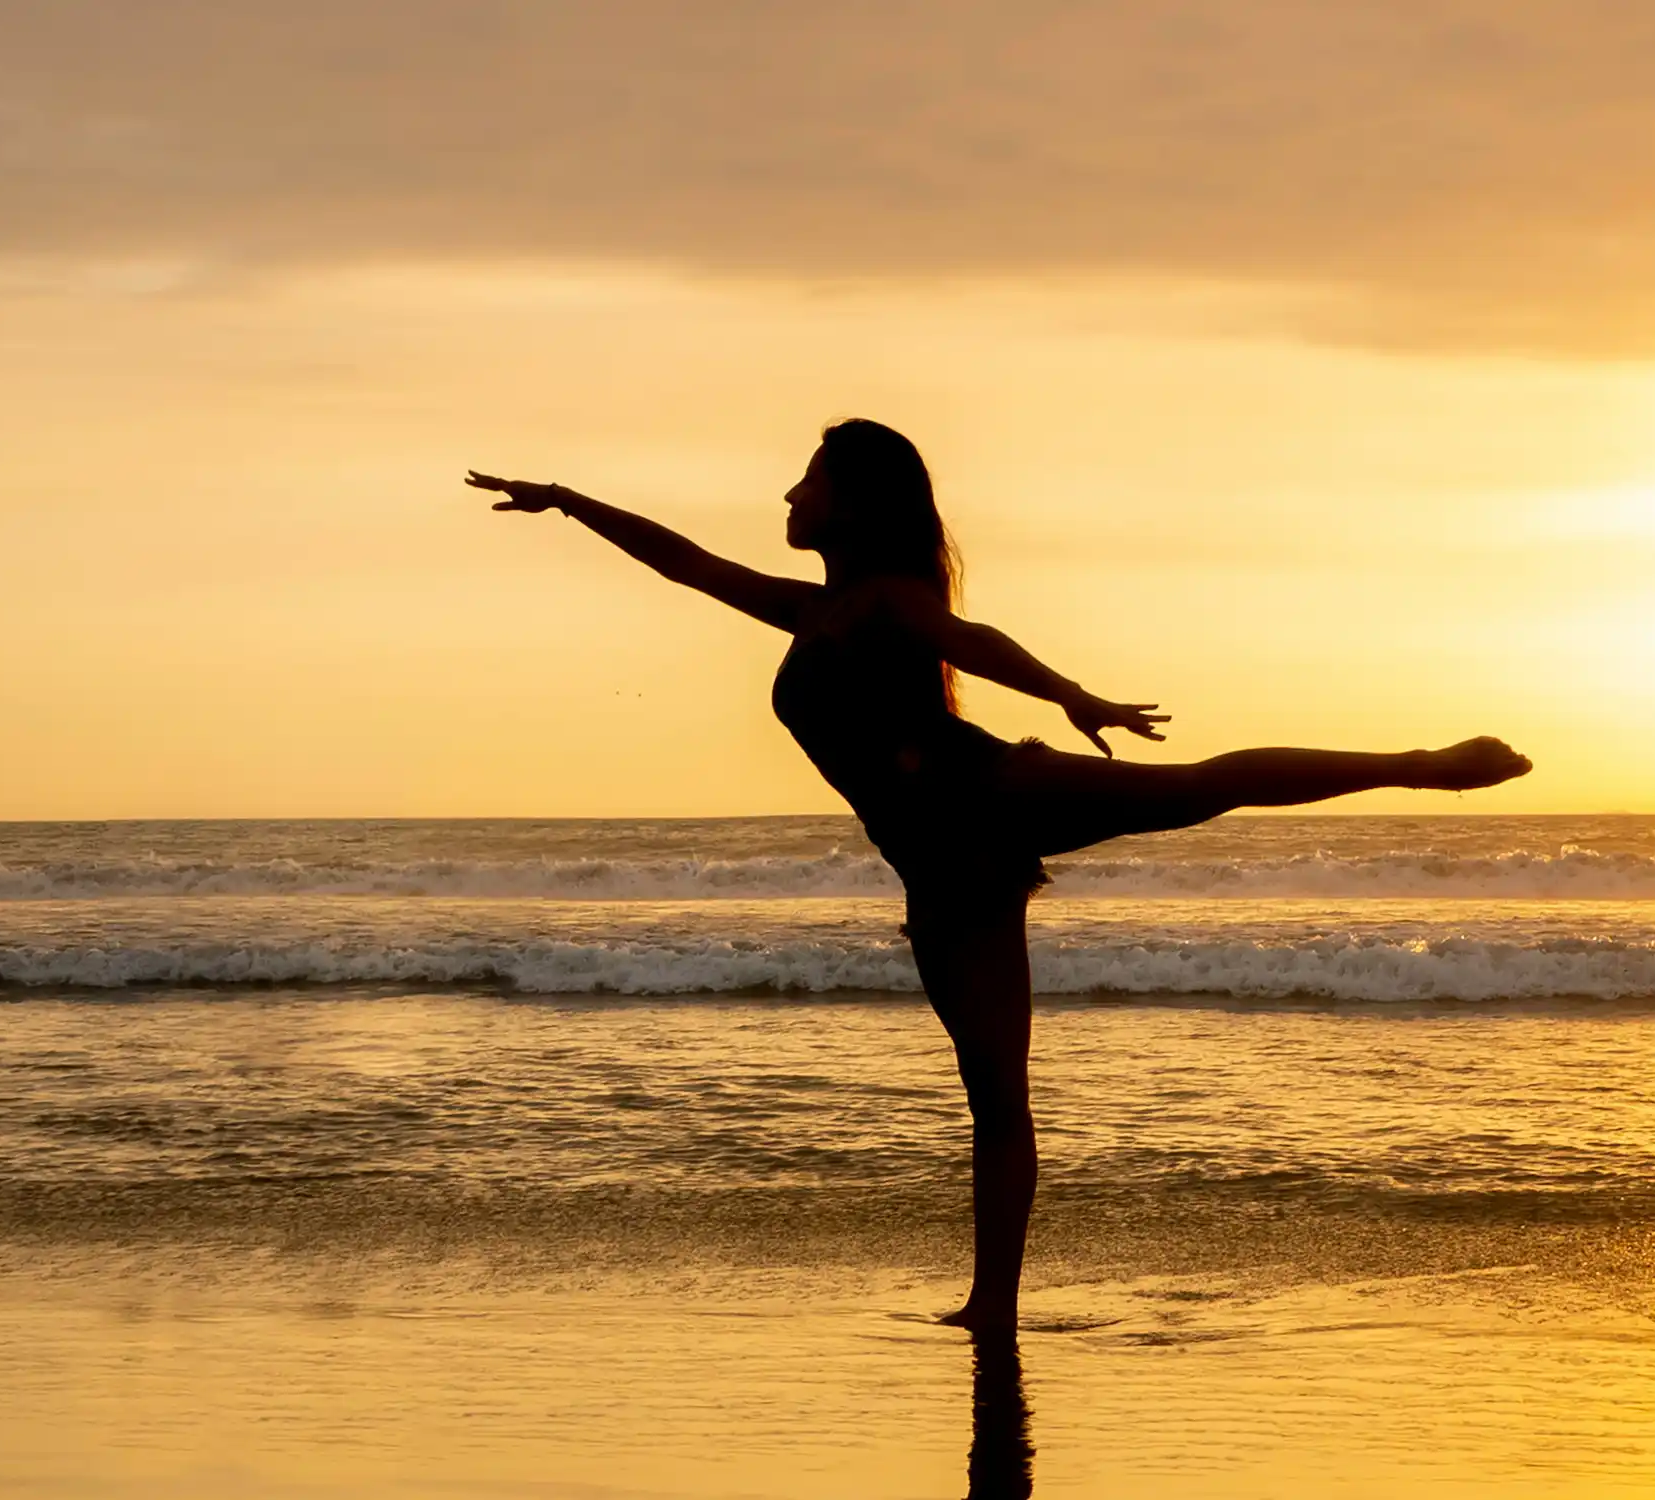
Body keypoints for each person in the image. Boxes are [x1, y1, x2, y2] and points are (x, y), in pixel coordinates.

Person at [466, 419, 1532, 1331]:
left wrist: (1072, 695)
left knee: (1201, 785)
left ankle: (1425, 767)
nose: (790, 491)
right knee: (996, 1101)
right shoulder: (814, 609)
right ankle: (993, 1306)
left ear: (856, 499)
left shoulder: (887, 601)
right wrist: (566, 502)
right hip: (939, 876)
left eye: (810, 476)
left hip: (988, 796)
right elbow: (683, 563)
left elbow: (971, 641)